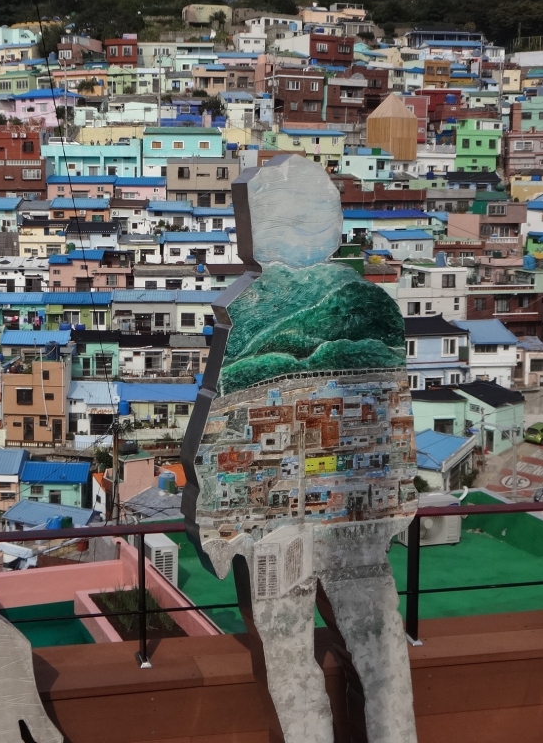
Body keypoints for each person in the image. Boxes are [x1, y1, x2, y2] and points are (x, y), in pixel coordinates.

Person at [182, 155, 418, 743]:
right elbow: (396, 420)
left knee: (289, 653)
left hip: (273, 523)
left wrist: (218, 523)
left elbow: (218, 435)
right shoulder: (379, 308)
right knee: (381, 646)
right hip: (362, 512)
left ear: (257, 228)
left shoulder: (247, 312)